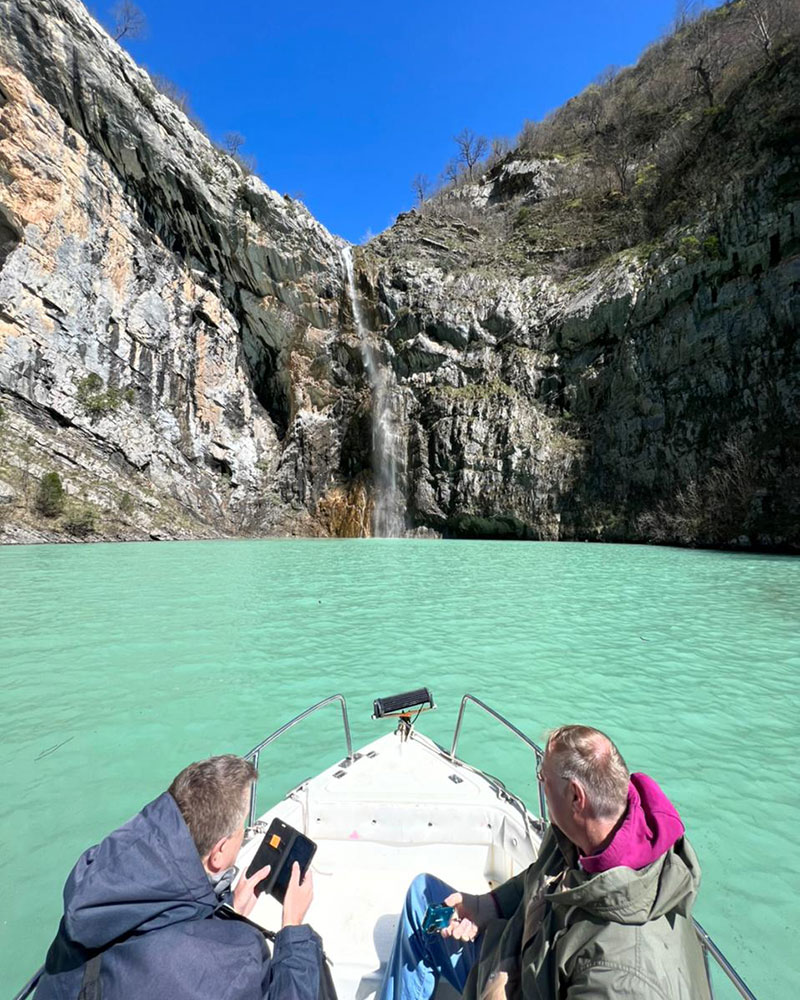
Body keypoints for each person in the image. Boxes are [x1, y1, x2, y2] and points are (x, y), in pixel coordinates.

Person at [378, 725, 711, 1000]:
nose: (540, 785)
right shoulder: (578, 838)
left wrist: (498, 985)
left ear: (576, 797)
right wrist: (487, 904)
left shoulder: (622, 975)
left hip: (514, 978)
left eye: (543, 779)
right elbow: (538, 879)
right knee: (423, 897)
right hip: (515, 956)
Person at [33, 754, 324, 1000]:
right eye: (243, 828)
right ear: (219, 852)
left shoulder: (96, 881)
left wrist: (226, 911)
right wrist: (293, 929)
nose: (246, 832)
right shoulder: (235, 957)